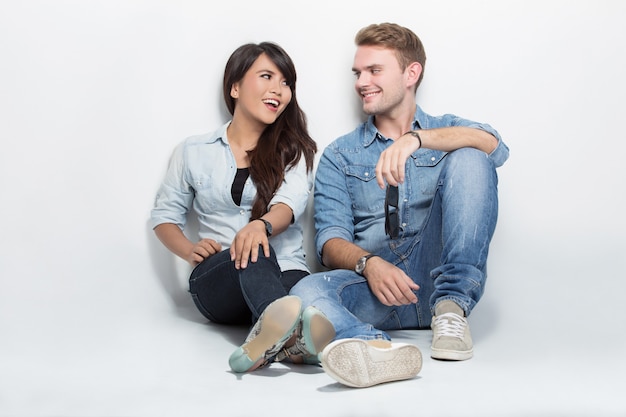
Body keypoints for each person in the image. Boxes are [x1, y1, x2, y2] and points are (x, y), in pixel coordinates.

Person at [290, 22, 509, 388]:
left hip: (436, 274)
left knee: (472, 155)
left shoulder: (446, 129)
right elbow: (328, 242)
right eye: (358, 72)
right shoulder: (340, 154)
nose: (361, 82)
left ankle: (451, 309)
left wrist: (417, 140)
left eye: (374, 70)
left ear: (411, 73)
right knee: (304, 291)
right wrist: (369, 264)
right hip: (377, 287)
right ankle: (373, 347)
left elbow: (495, 146)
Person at [150, 42, 335, 373]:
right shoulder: (193, 151)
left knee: (302, 296)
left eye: (286, 83)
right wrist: (190, 249)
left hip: (285, 271)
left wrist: (259, 225)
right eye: (267, 76)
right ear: (234, 87)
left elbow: (287, 205)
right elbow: (164, 217)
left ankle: (279, 338)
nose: (278, 90)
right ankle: (287, 336)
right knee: (253, 251)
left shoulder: (294, 151)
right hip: (220, 279)